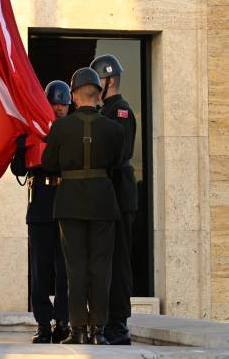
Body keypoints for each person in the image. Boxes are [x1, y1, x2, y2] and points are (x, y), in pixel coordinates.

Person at [41, 67, 125, 345]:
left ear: (74, 96)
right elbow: (117, 163)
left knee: (75, 266)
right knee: (101, 266)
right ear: (98, 94)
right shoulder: (114, 128)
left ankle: (77, 330)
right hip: (103, 201)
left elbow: (49, 163)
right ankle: (98, 331)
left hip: (70, 202)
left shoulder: (61, 127)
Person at [11, 81, 71, 343]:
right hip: (40, 206)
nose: (58, 108)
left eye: (62, 103)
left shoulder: (73, 130)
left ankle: (63, 322)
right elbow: (18, 170)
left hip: (67, 204)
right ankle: (43, 324)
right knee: (40, 269)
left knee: (65, 270)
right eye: (54, 103)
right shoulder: (32, 130)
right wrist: (21, 145)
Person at [92, 53, 137, 346]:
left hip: (119, 197)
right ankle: (107, 320)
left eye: (99, 83)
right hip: (109, 197)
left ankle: (118, 325)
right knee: (106, 260)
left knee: (119, 261)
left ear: (108, 81)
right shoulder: (105, 111)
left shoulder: (120, 111)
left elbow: (118, 154)